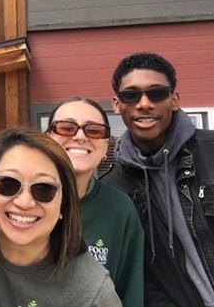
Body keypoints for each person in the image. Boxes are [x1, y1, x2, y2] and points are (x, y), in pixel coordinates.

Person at [102, 51, 214, 307]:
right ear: (117, 104)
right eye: (131, 95)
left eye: (156, 93)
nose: (144, 103)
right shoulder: (114, 188)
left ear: (175, 100)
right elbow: (141, 276)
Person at [0, 128, 122, 307]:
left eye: (44, 189)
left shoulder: (93, 294)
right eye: (8, 184)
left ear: (64, 204)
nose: (25, 202)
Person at [45, 97, 144, 307]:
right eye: (66, 127)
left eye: (94, 130)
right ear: (47, 138)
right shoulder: (19, 202)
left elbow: (130, 292)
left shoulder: (119, 209)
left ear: (105, 146)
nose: (80, 136)